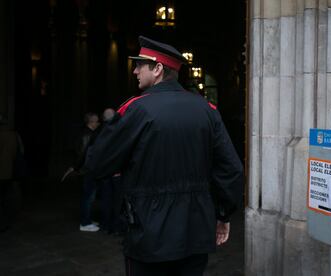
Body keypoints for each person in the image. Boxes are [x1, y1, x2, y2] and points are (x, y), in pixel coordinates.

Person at [85, 36, 243, 275]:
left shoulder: (137, 109)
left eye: (140, 64)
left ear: (158, 68)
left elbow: (96, 163)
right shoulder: (207, 110)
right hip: (195, 232)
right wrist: (223, 214)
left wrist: (111, 126)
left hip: (148, 233)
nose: (135, 70)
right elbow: (231, 169)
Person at [99, 108, 125, 234]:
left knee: (106, 199)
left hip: (105, 171)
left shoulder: (101, 131)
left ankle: (105, 225)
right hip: (115, 172)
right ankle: (116, 227)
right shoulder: (118, 131)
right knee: (117, 200)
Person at [74, 112, 101, 232]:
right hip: (87, 170)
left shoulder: (88, 133)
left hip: (87, 169)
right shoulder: (87, 135)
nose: (98, 123)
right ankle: (85, 223)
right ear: (91, 122)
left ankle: (87, 220)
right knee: (88, 197)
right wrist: (77, 167)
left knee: (89, 196)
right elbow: (82, 154)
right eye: (97, 121)